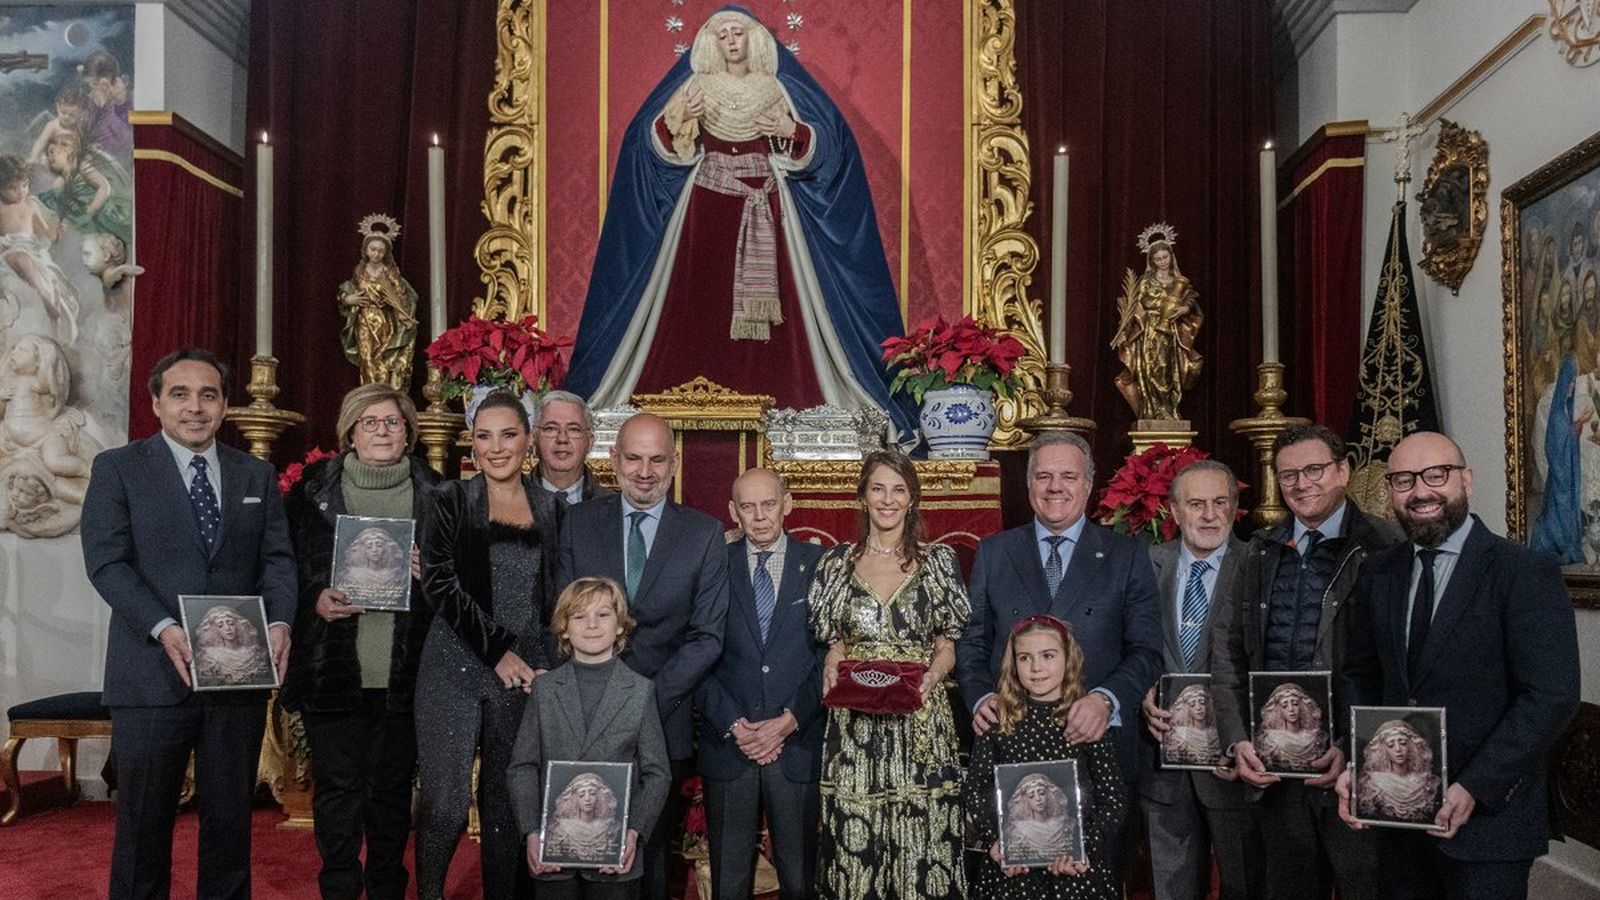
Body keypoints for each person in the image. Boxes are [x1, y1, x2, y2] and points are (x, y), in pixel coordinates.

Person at [566, 7, 914, 440]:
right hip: (705, 212)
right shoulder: (695, 87)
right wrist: (676, 120)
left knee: (786, 317)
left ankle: (789, 406)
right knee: (695, 306)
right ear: (713, 43)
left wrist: (793, 129)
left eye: (739, 33)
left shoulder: (777, 89)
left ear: (755, 40)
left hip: (767, 207)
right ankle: (687, 406)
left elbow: (825, 144)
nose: (733, 41)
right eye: (724, 34)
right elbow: (654, 141)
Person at [81, 347, 295, 900]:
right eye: (180, 394)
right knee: (142, 829)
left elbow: (277, 560)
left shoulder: (257, 474)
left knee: (230, 830)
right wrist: (162, 626)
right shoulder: (118, 469)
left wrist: (280, 623)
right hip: (151, 676)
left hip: (235, 679)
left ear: (225, 407)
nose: (194, 407)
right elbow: (107, 562)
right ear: (156, 403)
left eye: (208, 395)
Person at [1337, 431, 1580, 900]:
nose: (1421, 491)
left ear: (1465, 480)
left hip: (1489, 820)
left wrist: (1474, 785)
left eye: (1436, 474)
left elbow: (1551, 695)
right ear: (1389, 492)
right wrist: (1357, 757)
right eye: (1404, 480)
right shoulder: (1379, 572)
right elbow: (1360, 675)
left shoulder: (1524, 571)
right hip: (1398, 816)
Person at [1210, 423, 1401, 900]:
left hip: (1356, 768)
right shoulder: (1258, 551)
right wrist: (1237, 741)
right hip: (1276, 773)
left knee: (1368, 887)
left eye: (1314, 470)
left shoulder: (1386, 548)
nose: (1301, 484)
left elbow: (1398, 665)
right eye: (1288, 474)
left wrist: (1353, 746)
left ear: (1343, 471)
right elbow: (1228, 654)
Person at [957, 429, 1162, 869]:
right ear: (1028, 484)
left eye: (1068, 476)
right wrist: (980, 696)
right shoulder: (994, 552)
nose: (1056, 487)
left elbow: (1147, 650)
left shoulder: (1126, 555)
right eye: (1044, 476)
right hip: (1011, 754)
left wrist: (1105, 701)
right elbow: (972, 641)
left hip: (1096, 750)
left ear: (1088, 485)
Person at [556, 412, 730, 898]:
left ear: (674, 464)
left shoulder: (703, 534)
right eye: (633, 458)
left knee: (649, 855)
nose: (645, 471)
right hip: (584, 717)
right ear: (613, 460)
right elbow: (562, 616)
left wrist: (642, 703)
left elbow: (707, 637)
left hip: (662, 717)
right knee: (579, 849)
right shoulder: (578, 524)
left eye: (657, 459)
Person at [280, 383, 440, 900]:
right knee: (338, 793)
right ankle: (340, 888)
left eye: (392, 422)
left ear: (409, 431)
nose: (381, 431)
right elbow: (281, 571)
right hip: (333, 671)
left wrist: (432, 573)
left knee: (391, 793)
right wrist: (315, 600)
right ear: (350, 431)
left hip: (406, 674)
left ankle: (389, 887)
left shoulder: (439, 494)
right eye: (369, 422)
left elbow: (464, 586)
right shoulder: (310, 491)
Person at [414, 389, 564, 900]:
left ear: (529, 441)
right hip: (453, 663)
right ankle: (430, 893)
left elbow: (555, 599)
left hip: (524, 671)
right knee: (446, 801)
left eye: (508, 435)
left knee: (504, 802)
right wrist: (497, 651)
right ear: (472, 445)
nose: (496, 448)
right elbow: (438, 582)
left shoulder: (551, 506)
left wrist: (546, 664)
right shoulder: (451, 499)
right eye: (484, 437)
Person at [808, 449, 970, 898]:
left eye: (898, 490)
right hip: (856, 723)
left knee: (922, 838)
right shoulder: (835, 564)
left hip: (919, 720)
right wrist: (831, 658)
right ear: (862, 497)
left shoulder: (938, 562)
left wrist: (933, 677)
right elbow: (834, 640)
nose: (887, 499)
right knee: (855, 844)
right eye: (877, 488)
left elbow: (948, 645)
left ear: (912, 499)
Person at [696, 468, 826, 900]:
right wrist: (736, 724)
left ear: (787, 504)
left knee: (799, 880)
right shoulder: (714, 565)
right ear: (733, 512)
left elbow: (829, 655)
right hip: (731, 744)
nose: (760, 516)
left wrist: (788, 721)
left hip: (797, 744)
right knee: (728, 883)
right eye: (748, 507)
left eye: (768, 504)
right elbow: (698, 651)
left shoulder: (820, 565)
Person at [1137, 458, 1261, 900]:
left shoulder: (1259, 566)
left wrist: (1242, 738)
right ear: (1174, 511)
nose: (1209, 515)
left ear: (1234, 509)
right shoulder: (1146, 564)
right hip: (1163, 766)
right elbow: (1129, 648)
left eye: (1220, 503)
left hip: (1232, 767)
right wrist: (1141, 696)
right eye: (1196, 504)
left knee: (1244, 885)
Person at [509, 576, 671, 900]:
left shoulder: (640, 691)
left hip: (617, 855)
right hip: (551, 852)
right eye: (580, 616)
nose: (592, 625)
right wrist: (531, 831)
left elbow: (657, 773)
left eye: (604, 615)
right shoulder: (544, 689)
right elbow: (522, 766)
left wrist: (633, 832)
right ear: (564, 628)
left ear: (621, 626)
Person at [962, 615, 1124, 900]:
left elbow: (1112, 798)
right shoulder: (999, 720)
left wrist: (1083, 846)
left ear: (1068, 658)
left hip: (1075, 871)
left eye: (1048, 656)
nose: (1036, 668)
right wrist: (995, 841)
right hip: (1012, 873)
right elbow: (976, 789)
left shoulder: (1084, 720)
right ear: (1013, 664)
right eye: (1024, 658)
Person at [1110, 226, 1203, 421]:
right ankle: (1152, 412)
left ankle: (1168, 410)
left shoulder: (1179, 282)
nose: (1162, 262)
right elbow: (1133, 308)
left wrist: (1185, 309)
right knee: (1149, 369)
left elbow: (1192, 299)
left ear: (1171, 256)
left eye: (1165, 257)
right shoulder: (1145, 282)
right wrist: (1125, 332)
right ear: (1151, 260)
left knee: (1167, 370)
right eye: (1158, 259)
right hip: (1149, 331)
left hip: (1170, 331)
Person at [338, 216, 418, 391]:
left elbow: (402, 296)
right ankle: (369, 393)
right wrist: (347, 299)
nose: (376, 254)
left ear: (386, 253)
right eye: (373, 249)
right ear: (366, 250)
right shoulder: (359, 271)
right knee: (367, 358)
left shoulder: (390, 272)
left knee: (382, 359)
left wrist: (403, 314)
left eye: (380, 251)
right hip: (365, 320)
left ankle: (383, 393)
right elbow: (346, 290)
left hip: (385, 321)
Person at [1354, 720, 1440, 824]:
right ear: (1384, 750)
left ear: (1412, 747)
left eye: (1403, 743)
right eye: (1391, 745)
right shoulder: (1374, 783)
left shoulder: (1425, 781)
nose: (1398, 749)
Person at [534, 389, 608, 506]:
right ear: (534, 438)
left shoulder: (613, 507)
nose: (562, 439)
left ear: (590, 441)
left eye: (574, 429)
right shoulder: (505, 503)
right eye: (551, 428)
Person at [1253, 682, 1327, 773]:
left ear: (1303, 706)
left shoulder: (1313, 737)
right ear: (1279, 710)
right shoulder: (1272, 740)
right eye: (1284, 705)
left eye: (1295, 703)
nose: (1291, 709)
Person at [192, 603, 272, 685]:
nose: (227, 628)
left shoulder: (254, 652)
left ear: (238, 625)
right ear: (215, 630)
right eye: (220, 626)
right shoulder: (208, 656)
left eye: (231, 623)